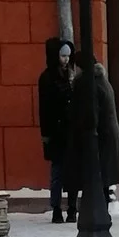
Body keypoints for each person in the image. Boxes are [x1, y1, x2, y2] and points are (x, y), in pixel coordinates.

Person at [69, 56, 119, 210]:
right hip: (107, 134)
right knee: (103, 175)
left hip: (99, 136)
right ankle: (103, 205)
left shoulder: (89, 84)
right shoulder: (102, 80)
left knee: (96, 172)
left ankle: (98, 209)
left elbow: (89, 114)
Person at [38, 38, 78, 223]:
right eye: (63, 56)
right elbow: (44, 109)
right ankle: (56, 208)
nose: (66, 60)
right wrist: (46, 134)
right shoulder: (47, 78)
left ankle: (72, 208)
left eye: (68, 56)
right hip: (56, 132)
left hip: (71, 132)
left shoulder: (73, 74)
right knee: (57, 173)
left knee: (72, 171)